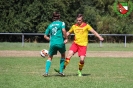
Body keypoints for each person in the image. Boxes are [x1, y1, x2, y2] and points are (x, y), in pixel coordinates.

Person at [43, 11, 68, 77]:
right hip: (60, 42)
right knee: (63, 55)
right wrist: (66, 38)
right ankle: (61, 72)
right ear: (59, 17)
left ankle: (46, 72)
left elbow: (45, 36)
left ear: (53, 18)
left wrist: (50, 39)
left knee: (50, 57)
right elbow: (63, 30)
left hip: (53, 43)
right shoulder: (62, 23)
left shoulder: (50, 25)